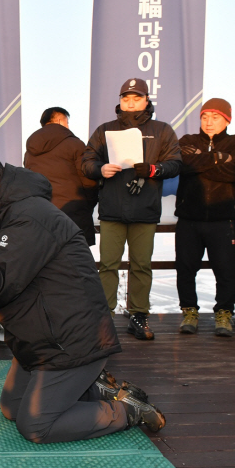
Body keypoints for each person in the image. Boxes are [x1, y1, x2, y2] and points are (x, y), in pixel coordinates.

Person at [0, 153, 165, 444]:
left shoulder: (27, 217)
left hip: (70, 340)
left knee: (36, 425)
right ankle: (95, 390)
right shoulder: (4, 216)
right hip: (40, 339)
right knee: (12, 409)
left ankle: (126, 411)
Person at [81, 78, 181, 340]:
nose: (131, 103)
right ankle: (104, 318)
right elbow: (87, 160)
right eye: (126, 98)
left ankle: (139, 315)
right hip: (112, 208)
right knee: (108, 265)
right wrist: (100, 169)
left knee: (141, 265)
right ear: (120, 101)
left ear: (146, 100)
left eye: (136, 98)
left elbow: (174, 162)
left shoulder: (162, 130)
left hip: (145, 209)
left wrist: (154, 170)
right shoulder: (105, 130)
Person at [174, 99, 235, 336]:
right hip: (189, 218)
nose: (209, 122)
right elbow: (183, 164)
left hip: (222, 218)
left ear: (227, 119)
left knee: (226, 270)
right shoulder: (187, 141)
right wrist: (219, 158)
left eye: (215, 117)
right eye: (205, 116)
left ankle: (224, 313)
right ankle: (189, 311)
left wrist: (203, 159)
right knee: (186, 268)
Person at [24, 107, 98, 245]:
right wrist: (88, 204)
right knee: (76, 259)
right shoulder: (75, 144)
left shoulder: (30, 151)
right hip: (74, 213)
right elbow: (87, 179)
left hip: (42, 214)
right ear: (59, 121)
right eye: (67, 122)